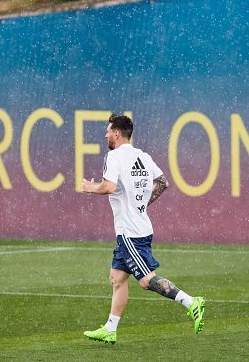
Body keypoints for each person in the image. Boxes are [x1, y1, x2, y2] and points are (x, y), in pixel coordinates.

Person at [81, 114, 205, 344]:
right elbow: (163, 183)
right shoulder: (143, 156)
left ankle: (191, 302)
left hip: (130, 233)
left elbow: (109, 187)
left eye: (108, 131)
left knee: (146, 281)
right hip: (139, 227)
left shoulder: (114, 156)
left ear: (117, 133)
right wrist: (141, 205)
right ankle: (110, 328)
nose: (106, 135)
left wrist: (90, 187)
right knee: (117, 278)